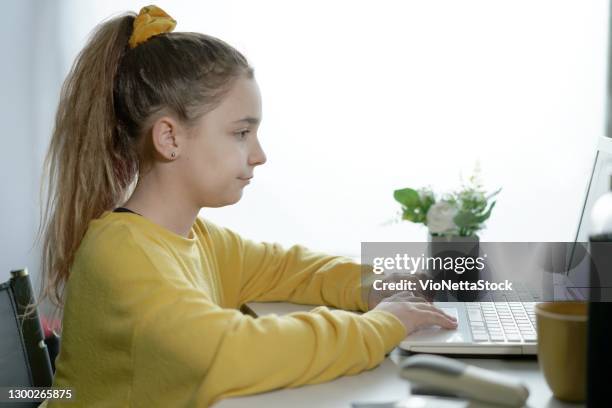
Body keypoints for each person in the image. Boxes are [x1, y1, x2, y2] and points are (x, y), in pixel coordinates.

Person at [37, 5, 457, 407]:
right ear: (170, 138)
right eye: (241, 133)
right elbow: (229, 351)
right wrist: (385, 324)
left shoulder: (193, 238)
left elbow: (286, 267)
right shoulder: (122, 253)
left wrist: (371, 283)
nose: (259, 155)